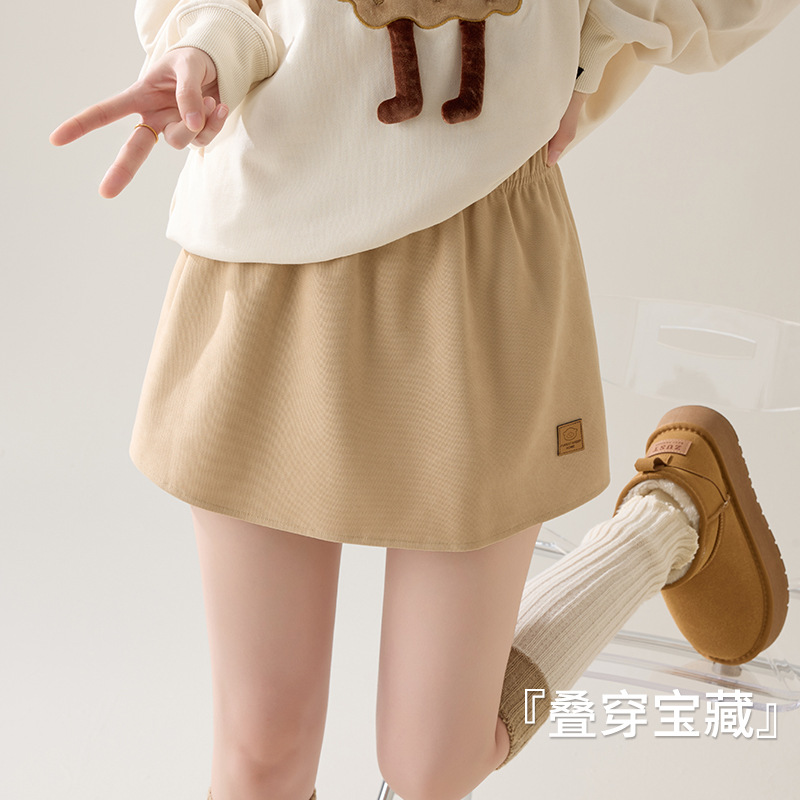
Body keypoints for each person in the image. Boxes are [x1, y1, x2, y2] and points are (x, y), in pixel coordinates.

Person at [50, 2, 795, 799]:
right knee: (262, 752)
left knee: (433, 762)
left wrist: (584, 56)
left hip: (479, 262)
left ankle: (666, 522)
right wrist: (206, 47)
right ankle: (669, 519)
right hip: (270, 254)